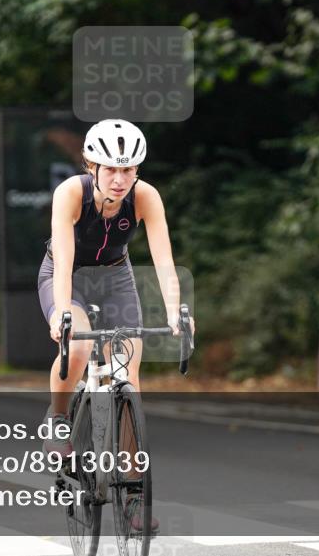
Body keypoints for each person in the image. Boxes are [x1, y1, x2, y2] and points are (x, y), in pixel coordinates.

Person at [38, 118, 193, 531]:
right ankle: (57, 418)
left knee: (128, 378)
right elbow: (66, 259)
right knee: (82, 345)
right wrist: (62, 313)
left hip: (115, 277)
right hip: (65, 275)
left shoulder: (146, 197)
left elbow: (164, 262)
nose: (121, 179)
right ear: (92, 166)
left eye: (129, 170)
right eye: (111, 169)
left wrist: (177, 310)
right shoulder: (71, 193)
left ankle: (132, 494)